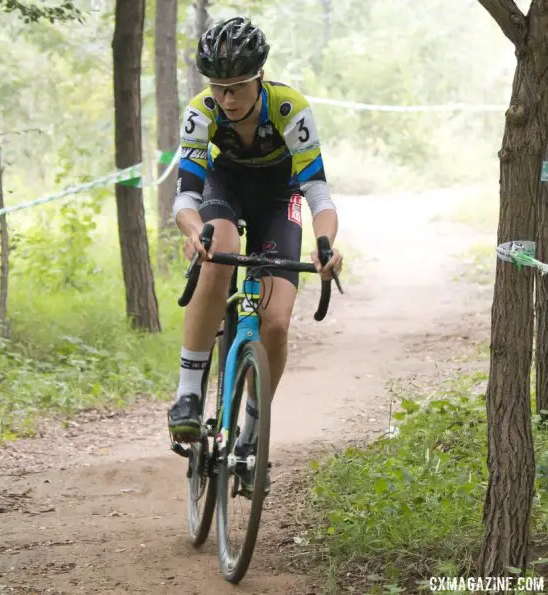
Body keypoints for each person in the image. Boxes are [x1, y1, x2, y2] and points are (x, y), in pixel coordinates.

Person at [167, 16, 343, 492]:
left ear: (259, 77)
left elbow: (319, 197)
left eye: (238, 86)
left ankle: (250, 433)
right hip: (224, 191)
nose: (227, 98)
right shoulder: (201, 111)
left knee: (278, 322)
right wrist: (193, 231)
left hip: (278, 196)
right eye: (218, 87)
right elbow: (185, 198)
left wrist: (325, 244)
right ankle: (186, 396)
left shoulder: (290, 108)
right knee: (219, 249)